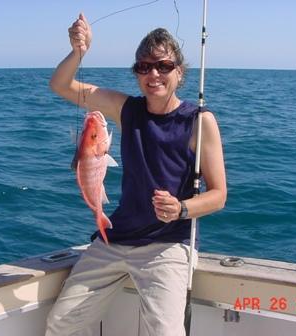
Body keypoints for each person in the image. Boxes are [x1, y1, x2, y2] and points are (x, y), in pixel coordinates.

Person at [45, 13, 227, 336]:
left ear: (179, 72)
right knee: (61, 323)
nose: (153, 74)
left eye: (163, 66)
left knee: (165, 332)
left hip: (168, 245)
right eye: (144, 67)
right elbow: (60, 85)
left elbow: (219, 195)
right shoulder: (124, 109)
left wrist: (181, 209)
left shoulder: (199, 122)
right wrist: (78, 52)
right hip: (115, 238)